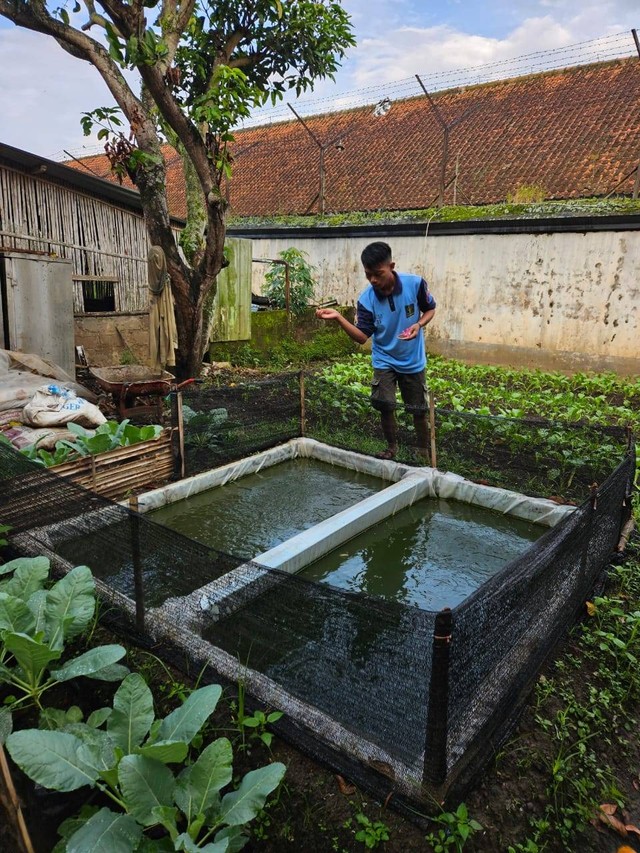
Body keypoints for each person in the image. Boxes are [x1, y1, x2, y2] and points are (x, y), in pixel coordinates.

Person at [316, 241, 436, 461]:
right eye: (368, 274)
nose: (373, 280)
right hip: (384, 360)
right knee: (384, 405)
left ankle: (423, 451)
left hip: (412, 359)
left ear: (391, 266)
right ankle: (391, 448)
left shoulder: (415, 284)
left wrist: (418, 325)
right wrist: (339, 318)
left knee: (418, 409)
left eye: (377, 274)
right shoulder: (366, 299)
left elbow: (430, 309)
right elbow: (362, 337)